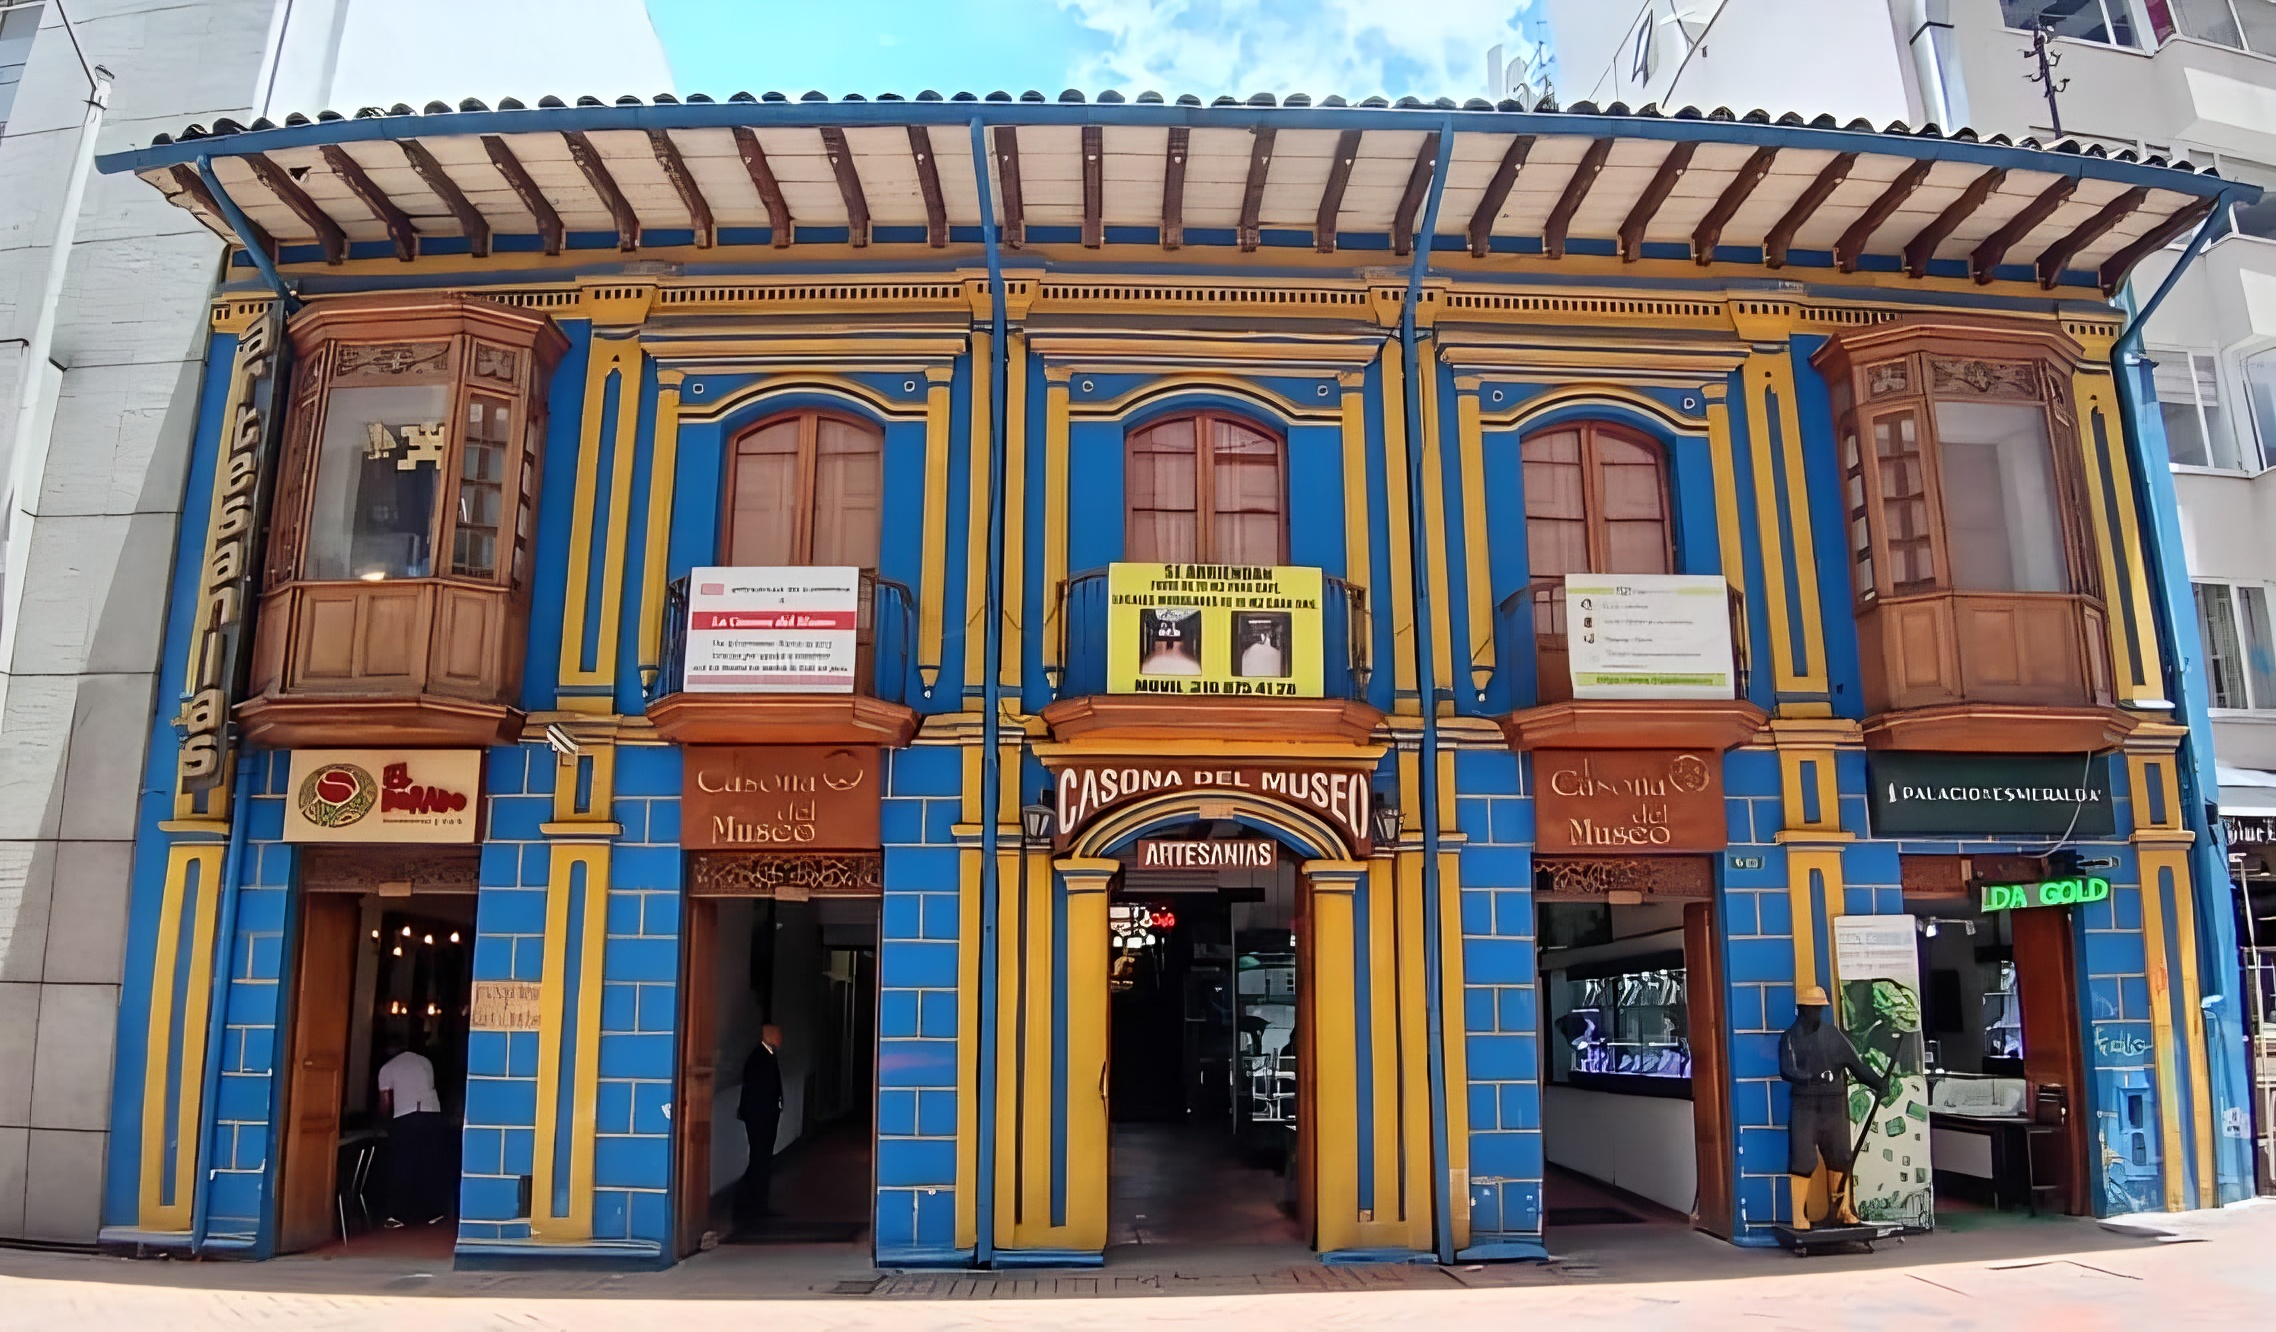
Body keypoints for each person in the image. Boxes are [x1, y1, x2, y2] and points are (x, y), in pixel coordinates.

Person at [1778, 986, 1890, 1229]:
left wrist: (1877, 1082)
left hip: (1833, 1104)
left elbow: (1856, 1065)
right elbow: (1787, 1069)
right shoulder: (1790, 1038)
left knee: (1839, 1156)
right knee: (1803, 1160)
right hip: (1804, 1105)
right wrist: (1812, 1076)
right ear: (1801, 1010)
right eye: (1811, 1009)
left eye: (1819, 1009)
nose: (1816, 1013)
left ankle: (1842, 1210)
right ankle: (1799, 1215)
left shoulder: (1834, 1037)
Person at [376, 1039, 452, 1226]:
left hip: (407, 1116)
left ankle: (398, 1215)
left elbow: (385, 1102)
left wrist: (382, 1122)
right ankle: (434, 1212)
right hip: (432, 1115)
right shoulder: (425, 1062)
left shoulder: (387, 1068)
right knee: (429, 1163)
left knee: (401, 1165)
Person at [735, 1023, 785, 1227]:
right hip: (760, 1119)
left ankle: (755, 1204)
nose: (782, 1039)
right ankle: (751, 1205)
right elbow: (759, 1092)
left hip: (764, 1117)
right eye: (779, 1035)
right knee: (760, 1158)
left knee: (762, 1159)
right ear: (770, 1036)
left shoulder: (767, 1056)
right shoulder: (760, 1058)